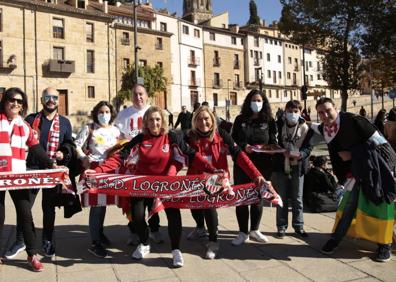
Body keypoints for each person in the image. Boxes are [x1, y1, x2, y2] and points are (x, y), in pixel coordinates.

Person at [85, 106, 217, 267]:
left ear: (162, 121)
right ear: (146, 122)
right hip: (142, 185)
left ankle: (176, 250)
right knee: (138, 215)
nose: (154, 123)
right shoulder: (140, 139)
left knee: (173, 215)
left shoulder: (172, 137)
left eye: (157, 119)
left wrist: (212, 169)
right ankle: (144, 243)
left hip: (166, 185)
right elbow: (119, 157)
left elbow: (192, 155)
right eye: (151, 120)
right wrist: (97, 171)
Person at [313, 97, 396, 262]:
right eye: (320, 112)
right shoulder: (326, 129)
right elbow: (313, 127)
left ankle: (384, 244)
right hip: (355, 174)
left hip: (376, 172)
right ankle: (335, 239)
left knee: (381, 208)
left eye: (328, 110)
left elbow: (381, 146)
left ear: (336, 107)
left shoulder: (354, 121)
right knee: (348, 207)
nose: (325, 115)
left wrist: (353, 154)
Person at [185, 106, 266, 259]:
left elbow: (239, 155)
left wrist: (256, 175)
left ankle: (213, 242)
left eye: (206, 119)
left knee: (208, 205)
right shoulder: (189, 136)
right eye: (199, 119)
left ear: (212, 120)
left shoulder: (222, 135)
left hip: (216, 178)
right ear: (195, 122)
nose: (203, 122)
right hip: (195, 177)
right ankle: (200, 227)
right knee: (194, 206)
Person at [6, 87, 74, 259]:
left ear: (58, 100)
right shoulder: (30, 119)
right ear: (42, 99)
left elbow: (69, 143)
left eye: (54, 97)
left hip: (51, 171)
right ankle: (21, 240)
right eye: (47, 97)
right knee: (25, 209)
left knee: (49, 209)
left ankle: (47, 240)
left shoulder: (65, 122)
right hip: (31, 170)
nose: (51, 100)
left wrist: (64, 152)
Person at [0, 87, 60, 271]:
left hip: (17, 175)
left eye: (20, 102)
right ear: (5, 101)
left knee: (26, 215)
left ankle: (32, 254)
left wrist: (51, 164)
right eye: (12, 100)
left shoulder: (23, 125)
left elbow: (35, 148)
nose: (16, 104)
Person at [114, 84, 162, 245]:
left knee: (152, 200)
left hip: (152, 165)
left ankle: (154, 230)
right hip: (131, 167)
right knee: (132, 202)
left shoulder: (153, 112)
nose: (138, 97)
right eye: (135, 94)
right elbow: (117, 136)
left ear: (147, 95)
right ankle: (134, 231)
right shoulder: (123, 114)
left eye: (141, 94)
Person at [231, 89, 277, 245]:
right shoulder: (240, 120)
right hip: (242, 164)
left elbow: (273, 141)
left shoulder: (269, 120)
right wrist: (245, 147)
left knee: (257, 198)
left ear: (263, 103)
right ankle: (243, 232)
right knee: (242, 198)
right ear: (248, 102)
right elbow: (233, 142)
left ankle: (255, 230)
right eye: (253, 100)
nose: (256, 103)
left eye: (259, 101)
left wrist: (271, 148)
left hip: (262, 166)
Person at [75, 101, 120, 258]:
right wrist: (82, 158)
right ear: (96, 113)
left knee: (104, 203)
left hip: (110, 170)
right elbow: (77, 145)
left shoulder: (116, 130)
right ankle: (95, 242)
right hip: (93, 169)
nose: (104, 114)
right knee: (96, 205)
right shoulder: (89, 128)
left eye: (107, 111)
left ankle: (99, 233)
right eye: (101, 111)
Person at [272, 100, 313, 239]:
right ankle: (281, 227)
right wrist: (279, 150)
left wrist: (300, 154)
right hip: (281, 165)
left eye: (295, 111)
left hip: (298, 166)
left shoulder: (307, 128)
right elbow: (272, 142)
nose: (292, 114)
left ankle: (299, 226)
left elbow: (309, 147)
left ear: (301, 112)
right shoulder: (278, 126)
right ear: (285, 111)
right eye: (289, 111)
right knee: (281, 197)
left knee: (297, 198)